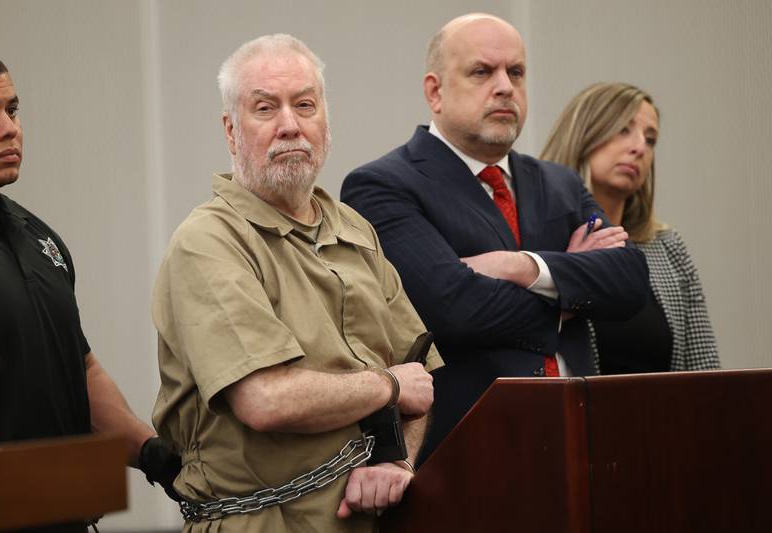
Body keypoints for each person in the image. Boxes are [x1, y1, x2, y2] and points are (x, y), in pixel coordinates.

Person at [151, 34, 441, 532]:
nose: (290, 125)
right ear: (231, 130)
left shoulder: (354, 228)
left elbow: (418, 376)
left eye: (304, 105)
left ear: (326, 121)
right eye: (265, 108)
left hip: (371, 518)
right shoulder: (208, 242)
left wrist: (397, 461)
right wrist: (387, 385)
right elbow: (266, 400)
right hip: (260, 520)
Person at [341, 13, 651, 464]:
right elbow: (452, 309)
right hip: (471, 456)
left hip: (585, 446)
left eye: (516, 72)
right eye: (482, 72)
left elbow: (629, 282)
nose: (505, 86)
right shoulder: (383, 184)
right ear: (435, 91)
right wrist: (571, 289)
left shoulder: (560, 183)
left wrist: (521, 267)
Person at [0, 44, 178, 532]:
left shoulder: (38, 236)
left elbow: (80, 368)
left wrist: (150, 451)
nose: (10, 128)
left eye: (13, 110)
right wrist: (27, 488)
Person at [540, 82, 720, 373]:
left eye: (650, 140)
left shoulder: (666, 246)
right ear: (583, 134)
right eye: (624, 130)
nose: (639, 148)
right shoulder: (539, 237)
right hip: (573, 416)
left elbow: (706, 369)